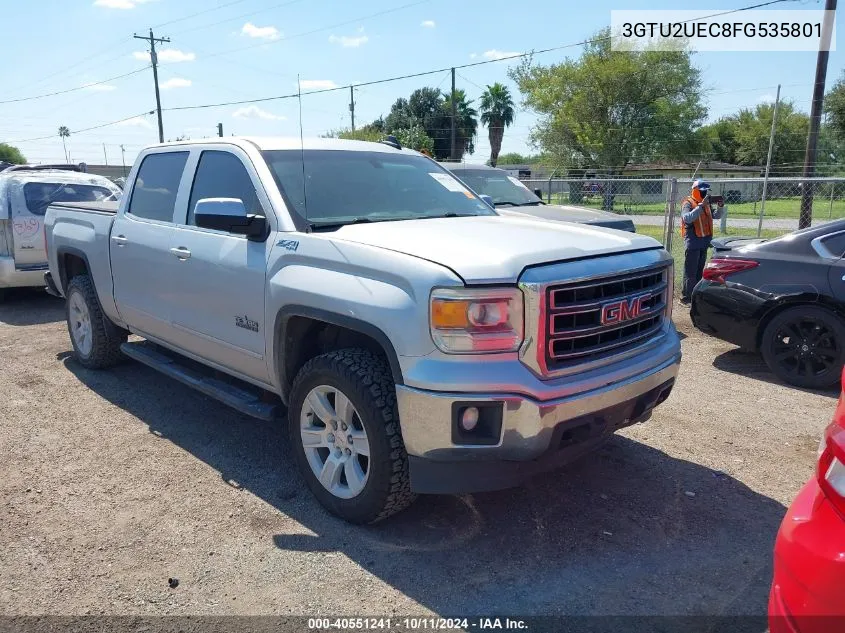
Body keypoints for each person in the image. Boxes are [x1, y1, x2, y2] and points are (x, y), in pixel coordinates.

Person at [680, 179, 725, 305]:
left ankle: (695, 295)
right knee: (690, 272)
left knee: (700, 270)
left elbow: (716, 216)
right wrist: (701, 206)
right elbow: (687, 218)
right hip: (693, 241)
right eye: (702, 191)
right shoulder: (688, 203)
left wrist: (720, 207)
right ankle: (685, 298)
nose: (705, 194)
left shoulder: (706, 203)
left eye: (706, 191)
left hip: (704, 241)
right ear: (696, 191)